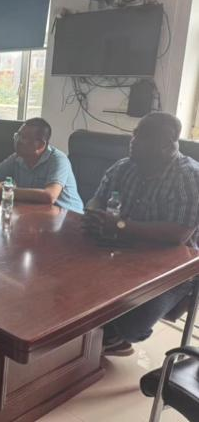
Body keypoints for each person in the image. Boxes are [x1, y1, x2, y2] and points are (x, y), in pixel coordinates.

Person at [83, 112, 199, 356]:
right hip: (122, 252)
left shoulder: (188, 176)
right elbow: (97, 199)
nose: (133, 141)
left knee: (131, 324)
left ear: (166, 145)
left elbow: (178, 235)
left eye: (143, 137)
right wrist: (93, 213)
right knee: (75, 285)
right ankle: (91, 341)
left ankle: (116, 336)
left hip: (172, 266)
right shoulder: (124, 167)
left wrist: (121, 225)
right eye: (135, 134)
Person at [0, 118, 83, 214]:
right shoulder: (17, 158)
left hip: (69, 218)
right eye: (17, 135)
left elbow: (50, 196)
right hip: (37, 214)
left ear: (40, 145)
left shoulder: (58, 160)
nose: (18, 141)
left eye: (24, 138)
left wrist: (3, 190)